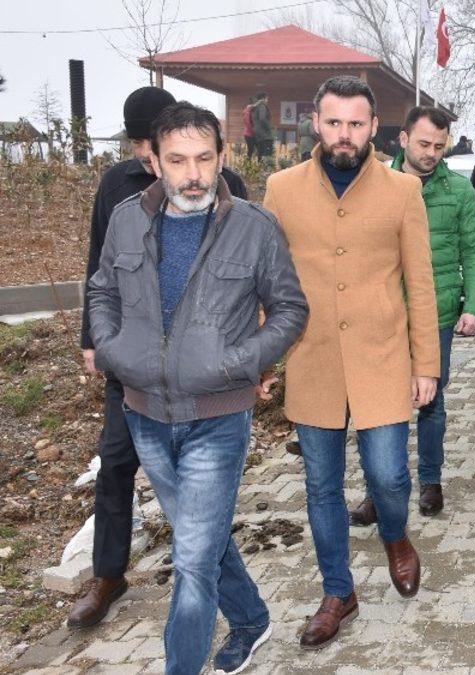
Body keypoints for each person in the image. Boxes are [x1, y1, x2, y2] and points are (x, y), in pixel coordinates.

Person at [88, 101, 307, 675]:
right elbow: (102, 290)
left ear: (222, 157)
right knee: (199, 539)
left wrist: (243, 361)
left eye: (205, 159)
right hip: (145, 414)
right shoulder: (126, 219)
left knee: (190, 560)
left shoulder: (254, 227)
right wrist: (112, 349)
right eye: (178, 160)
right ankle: (252, 619)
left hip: (217, 416)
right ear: (153, 161)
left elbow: (289, 309)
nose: (193, 174)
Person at [262, 75, 440, 649]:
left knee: (389, 476)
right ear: (315, 122)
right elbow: (266, 280)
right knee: (321, 486)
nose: (345, 133)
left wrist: (426, 365)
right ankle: (338, 592)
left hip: (382, 356)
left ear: (373, 127)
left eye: (356, 123)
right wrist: (261, 357)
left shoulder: (402, 191)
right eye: (334, 122)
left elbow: (421, 285)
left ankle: (396, 534)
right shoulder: (281, 189)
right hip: (311, 357)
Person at [71, 86, 249, 633]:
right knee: (115, 461)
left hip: (202, 372)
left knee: (197, 490)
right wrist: (94, 340)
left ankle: (228, 595)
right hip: (133, 360)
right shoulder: (116, 187)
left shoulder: (225, 187)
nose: (151, 158)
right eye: (144, 149)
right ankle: (108, 574)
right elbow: (99, 269)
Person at [342, 106, 475, 523]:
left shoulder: (458, 191)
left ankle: (430, 481)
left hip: (435, 313)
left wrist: (474, 305)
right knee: (376, 403)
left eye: (439, 147)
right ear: (403, 139)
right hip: (380, 314)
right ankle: (378, 490)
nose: (431, 153)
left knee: (431, 401)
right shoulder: (370, 185)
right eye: (424, 144)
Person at [250, 91, 273, 162]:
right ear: (263, 98)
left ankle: (260, 166)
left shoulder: (254, 107)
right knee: (266, 153)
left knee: (260, 152)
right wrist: (269, 127)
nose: (267, 100)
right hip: (264, 133)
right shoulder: (261, 106)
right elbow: (262, 118)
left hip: (257, 133)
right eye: (267, 99)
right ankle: (266, 166)